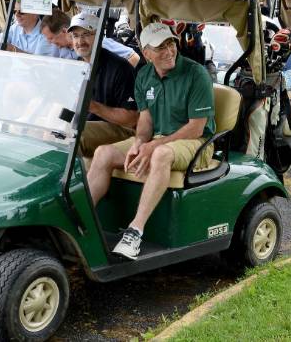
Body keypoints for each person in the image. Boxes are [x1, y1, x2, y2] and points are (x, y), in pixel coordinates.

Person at [86, 23, 216, 259]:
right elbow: (145, 120)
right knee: (104, 153)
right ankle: (83, 223)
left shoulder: (196, 74)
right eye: (160, 48)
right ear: (146, 54)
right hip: (159, 138)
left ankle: (135, 231)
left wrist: (154, 145)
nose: (168, 52)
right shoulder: (145, 75)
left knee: (160, 154)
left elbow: (196, 127)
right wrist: (139, 141)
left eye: (170, 44)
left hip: (197, 142)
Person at [69, 12, 139, 156]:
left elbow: (132, 119)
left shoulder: (120, 68)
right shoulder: (76, 67)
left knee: (73, 136)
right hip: (87, 125)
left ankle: (71, 178)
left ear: (100, 36)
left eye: (86, 34)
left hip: (121, 128)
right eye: (76, 36)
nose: (80, 41)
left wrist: (93, 107)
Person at [41, 9, 141, 65]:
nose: (50, 42)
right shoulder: (60, 49)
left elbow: (133, 57)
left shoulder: (96, 44)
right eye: (76, 36)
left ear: (64, 31)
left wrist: (118, 80)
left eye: (51, 38)